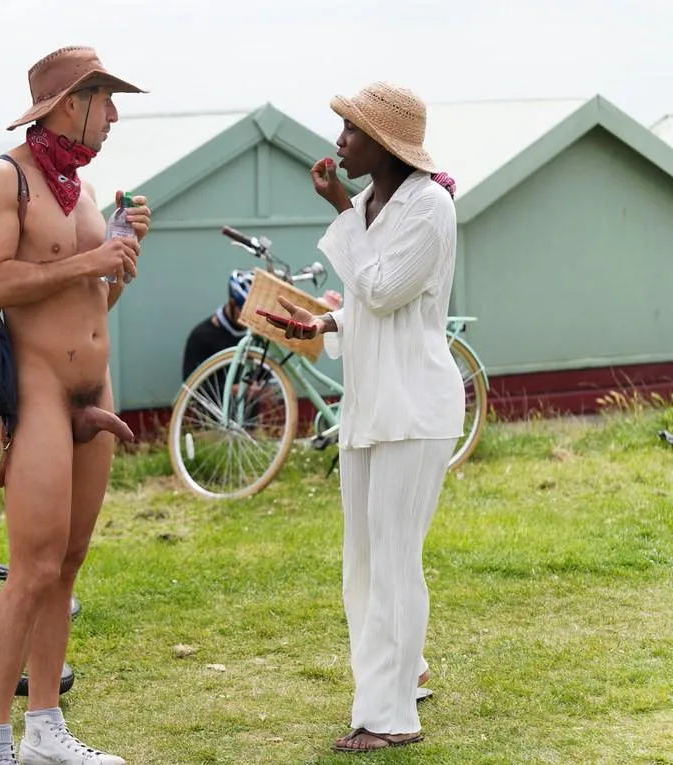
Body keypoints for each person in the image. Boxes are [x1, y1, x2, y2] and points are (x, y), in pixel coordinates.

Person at [0, 46, 151, 765]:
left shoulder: (86, 190)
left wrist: (124, 257)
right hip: (37, 390)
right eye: (106, 100)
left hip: (94, 390)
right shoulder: (2, 178)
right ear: (71, 101)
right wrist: (89, 262)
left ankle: (45, 729)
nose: (114, 116)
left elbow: (92, 299)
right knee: (32, 567)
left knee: (68, 563)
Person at [263, 82, 465, 752]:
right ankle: (402, 676)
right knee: (365, 562)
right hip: (372, 406)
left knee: (395, 562)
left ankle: (390, 715)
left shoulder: (430, 206)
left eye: (349, 130)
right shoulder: (379, 205)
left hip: (415, 408)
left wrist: (342, 209)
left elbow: (382, 287)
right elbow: (368, 303)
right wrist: (321, 320)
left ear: (383, 142)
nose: (339, 142)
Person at [181, 271, 343, 381]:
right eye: (244, 308)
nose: (248, 313)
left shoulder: (254, 334)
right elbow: (191, 382)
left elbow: (266, 373)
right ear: (232, 304)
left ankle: (324, 310)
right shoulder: (201, 336)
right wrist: (234, 390)